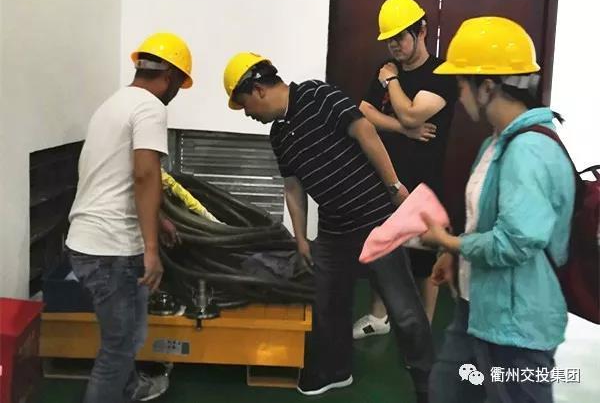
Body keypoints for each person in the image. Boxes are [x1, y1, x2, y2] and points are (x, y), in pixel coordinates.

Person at [223, 52, 433, 402]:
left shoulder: (317, 95)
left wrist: (394, 187)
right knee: (328, 303)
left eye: (244, 105)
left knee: (403, 308)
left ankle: (427, 383)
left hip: (374, 218)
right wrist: (301, 239)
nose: (247, 114)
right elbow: (293, 188)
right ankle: (336, 371)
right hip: (334, 229)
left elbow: (365, 131)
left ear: (258, 90)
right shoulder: (279, 134)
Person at [419, 17, 575, 403]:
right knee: (447, 390)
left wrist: (451, 244)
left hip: (515, 325)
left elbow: (516, 242)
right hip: (478, 307)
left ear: (487, 87)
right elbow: (485, 219)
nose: (459, 95)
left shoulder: (528, 151)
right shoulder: (497, 143)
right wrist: (455, 257)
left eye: (461, 84)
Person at [66, 32, 193, 403]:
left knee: (129, 335)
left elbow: (116, 177)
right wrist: (152, 250)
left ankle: (131, 388)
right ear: (168, 76)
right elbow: (145, 175)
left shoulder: (113, 103)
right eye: (179, 84)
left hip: (90, 241)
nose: (176, 92)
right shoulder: (150, 107)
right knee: (118, 347)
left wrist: (158, 220)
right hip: (112, 250)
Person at [354, 0, 457, 339]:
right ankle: (378, 317)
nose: (394, 46)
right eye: (389, 40)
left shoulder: (440, 73)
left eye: (400, 37)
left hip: (423, 182)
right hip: (385, 176)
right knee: (383, 247)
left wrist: (392, 82)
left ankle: (424, 326)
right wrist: (403, 129)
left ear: (421, 30)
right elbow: (365, 111)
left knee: (425, 255)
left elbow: (413, 113)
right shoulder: (386, 69)